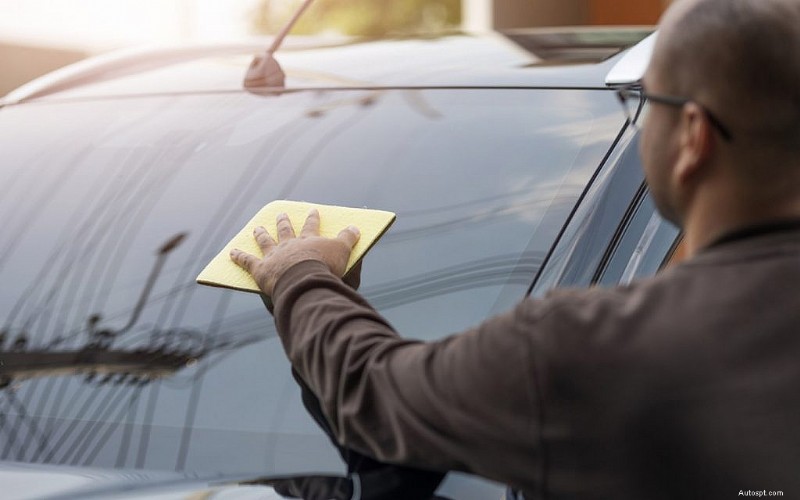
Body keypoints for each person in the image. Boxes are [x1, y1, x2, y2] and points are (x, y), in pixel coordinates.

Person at [230, 0, 800, 497]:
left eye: (648, 104)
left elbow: (376, 394)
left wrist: (299, 276)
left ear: (694, 136)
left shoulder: (591, 349)